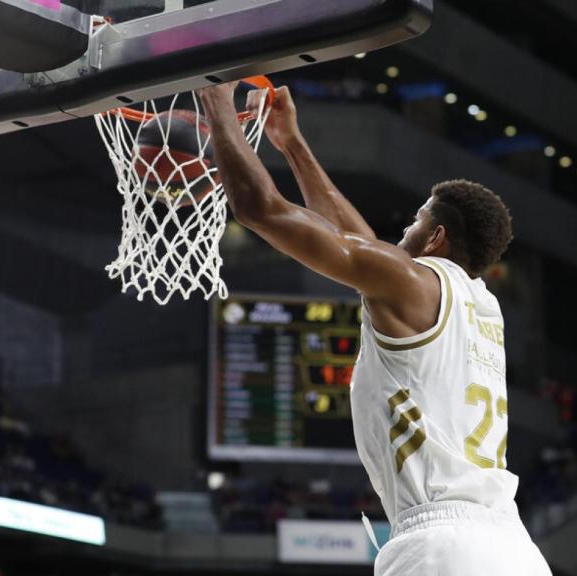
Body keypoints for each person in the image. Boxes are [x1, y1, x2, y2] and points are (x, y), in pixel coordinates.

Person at [199, 83, 551, 576]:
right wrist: (292, 145)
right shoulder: (483, 306)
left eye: (414, 221)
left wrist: (216, 103)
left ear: (435, 237)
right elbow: (356, 245)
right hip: (516, 551)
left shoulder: (412, 283)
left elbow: (262, 210)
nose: (400, 234)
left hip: (443, 547)